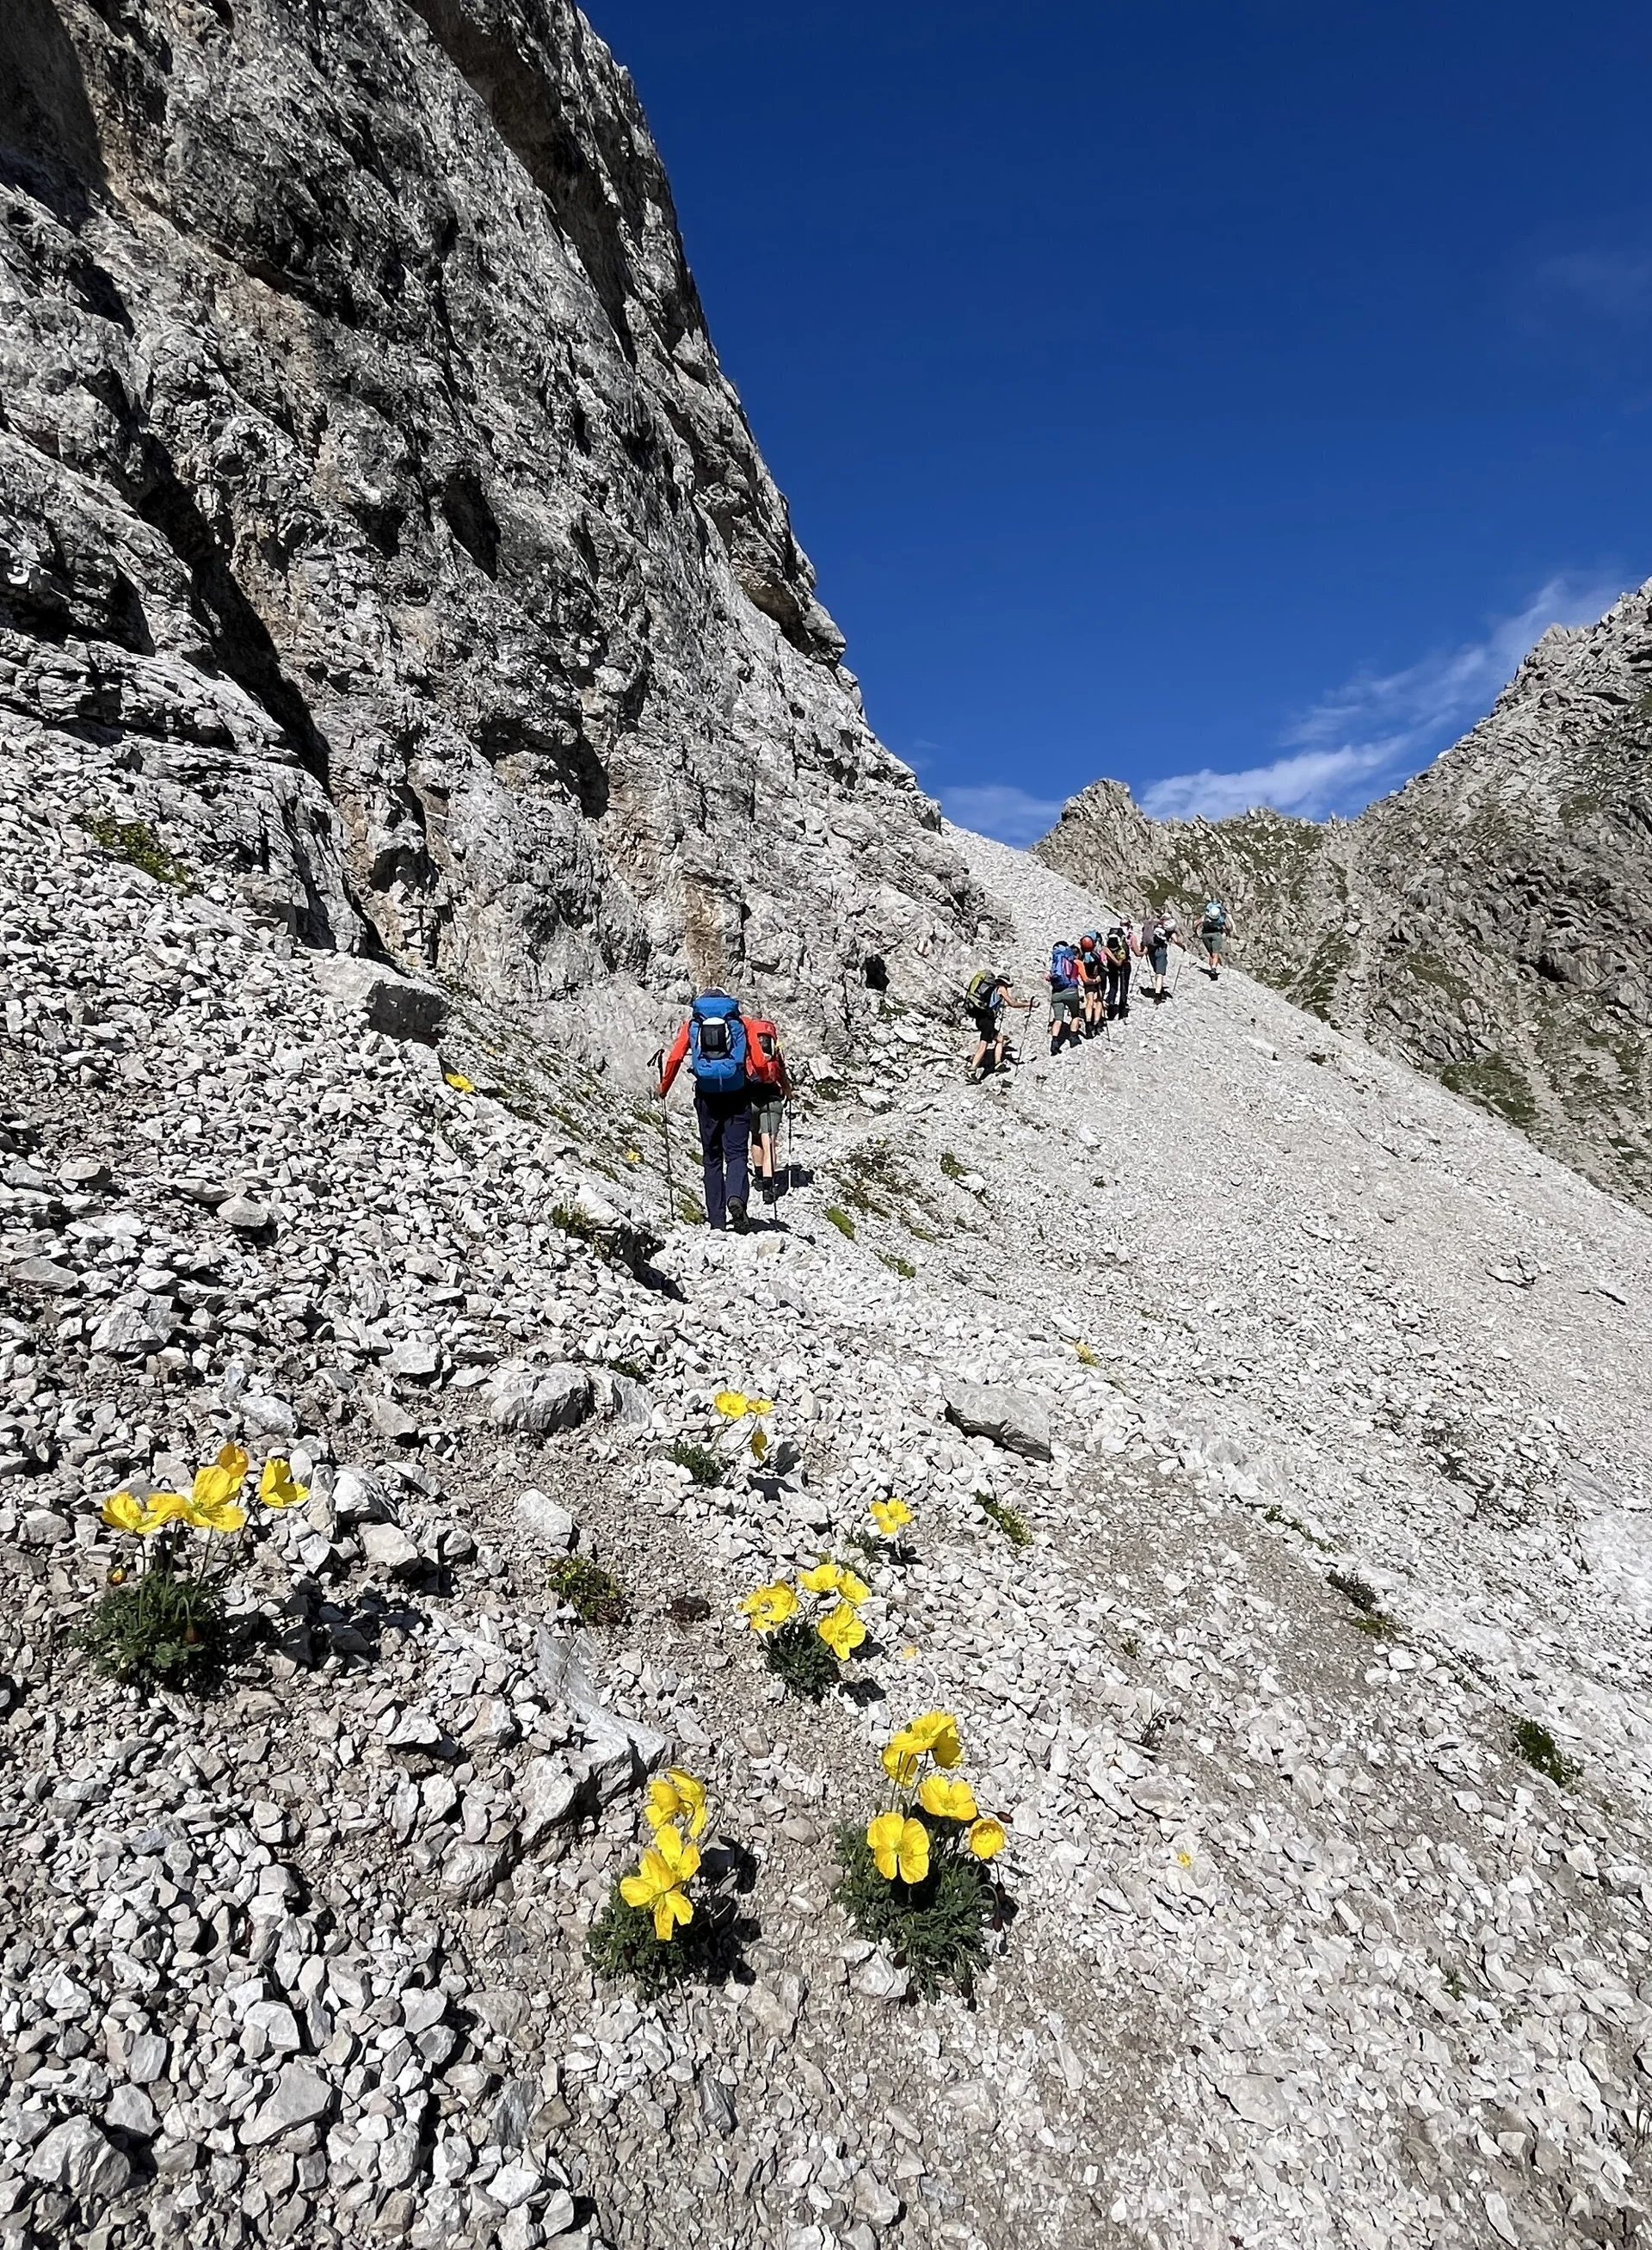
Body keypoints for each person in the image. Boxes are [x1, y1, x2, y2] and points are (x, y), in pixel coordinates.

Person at [656, 989, 752, 1231]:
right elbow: (759, 1060)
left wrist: (664, 1088)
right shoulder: (737, 1023)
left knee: (711, 1158)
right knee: (737, 1153)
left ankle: (717, 1221)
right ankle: (736, 1198)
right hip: (738, 1094)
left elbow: (676, 1057)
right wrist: (762, 1082)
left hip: (707, 1097)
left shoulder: (694, 1024)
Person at [742, 1010, 792, 1203]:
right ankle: (769, 1186)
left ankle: (759, 1176)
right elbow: (782, 1075)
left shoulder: (748, 1049)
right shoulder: (775, 1052)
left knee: (755, 1137)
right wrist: (788, 1091)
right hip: (772, 1100)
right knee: (768, 1140)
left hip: (751, 1099)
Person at [965, 971, 1016, 1082]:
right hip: (987, 1021)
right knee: (984, 1045)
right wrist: (1029, 1004)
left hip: (981, 1019)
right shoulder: (1001, 988)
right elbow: (1013, 1004)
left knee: (1000, 1039)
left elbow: (1001, 1004)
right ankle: (972, 1070)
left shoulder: (991, 990)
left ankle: (998, 1064)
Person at [1047, 939, 1084, 1054]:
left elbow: (1053, 977)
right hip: (1071, 991)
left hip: (1057, 993)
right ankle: (1073, 1038)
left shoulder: (1056, 963)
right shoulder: (1074, 964)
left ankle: (1054, 1043)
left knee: (1058, 1019)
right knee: (1075, 1015)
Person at [1141, 908, 1182, 1003]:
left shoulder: (1154, 924)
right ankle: (1158, 995)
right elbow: (1176, 941)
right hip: (1161, 950)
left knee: (1156, 970)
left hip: (1150, 949)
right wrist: (1182, 947)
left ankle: (1159, 989)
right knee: (1160, 973)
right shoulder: (1169, 927)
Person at [1102, 924, 1134, 1021]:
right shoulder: (1122, 946)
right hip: (1124, 966)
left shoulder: (1107, 946)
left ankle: (1111, 1010)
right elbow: (1120, 961)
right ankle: (1122, 1012)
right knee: (1124, 988)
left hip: (1111, 966)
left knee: (1113, 986)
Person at [1076, 934, 1106, 1037]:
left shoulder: (1082, 957)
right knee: (1098, 1001)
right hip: (1097, 980)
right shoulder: (1096, 956)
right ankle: (1097, 1024)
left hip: (1087, 981)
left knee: (1089, 1001)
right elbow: (1102, 968)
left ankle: (1088, 1023)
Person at [1197, 898, 1232, 979]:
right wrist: (1228, 932)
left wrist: (1195, 931)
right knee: (1215, 953)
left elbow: (1196, 924)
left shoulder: (1206, 917)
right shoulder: (1221, 917)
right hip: (1216, 934)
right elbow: (1228, 926)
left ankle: (1211, 968)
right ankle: (1213, 968)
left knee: (1210, 953)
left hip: (1205, 934)